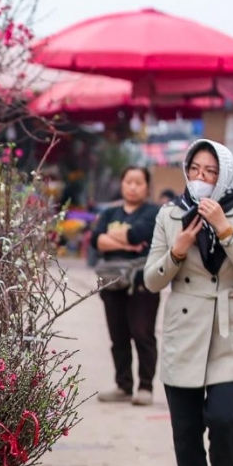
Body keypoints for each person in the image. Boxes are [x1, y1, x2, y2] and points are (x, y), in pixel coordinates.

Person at [144, 140, 233, 466]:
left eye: (210, 172)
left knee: (224, 417)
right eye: (194, 169)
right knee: (186, 426)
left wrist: (226, 230)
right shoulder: (170, 214)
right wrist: (177, 251)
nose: (200, 178)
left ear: (224, 175)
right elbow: (151, 280)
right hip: (185, 328)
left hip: (231, 329)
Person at [93, 166, 160, 405]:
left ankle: (145, 386)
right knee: (117, 335)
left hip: (142, 282)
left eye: (138, 182)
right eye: (128, 181)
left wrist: (116, 237)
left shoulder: (154, 212)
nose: (132, 186)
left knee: (143, 333)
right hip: (111, 281)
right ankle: (123, 385)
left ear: (147, 186)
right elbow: (96, 240)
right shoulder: (111, 212)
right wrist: (127, 241)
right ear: (121, 184)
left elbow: (139, 234)